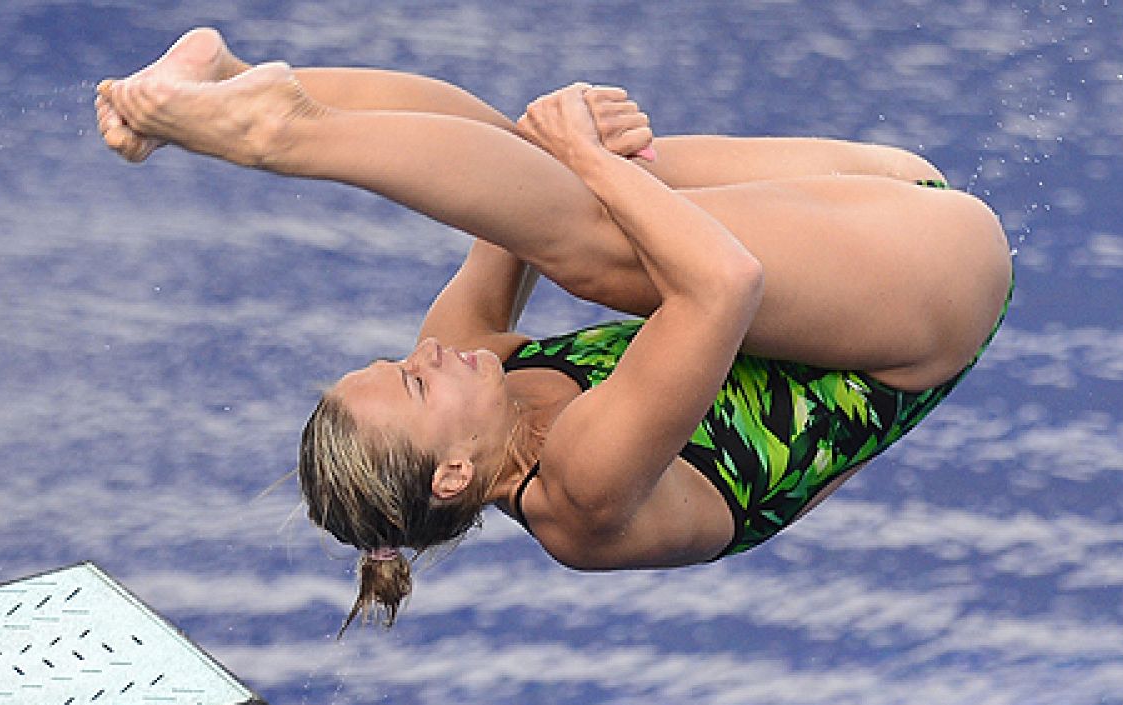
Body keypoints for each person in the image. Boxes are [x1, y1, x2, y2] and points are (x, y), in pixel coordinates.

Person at [94, 28, 1013, 634]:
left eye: (394, 360)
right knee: (596, 241)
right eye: (413, 382)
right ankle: (273, 133)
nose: (424, 352)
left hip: (885, 212)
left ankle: (241, 83)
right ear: (454, 472)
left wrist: (567, 150)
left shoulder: (477, 372)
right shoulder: (580, 496)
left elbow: (501, 167)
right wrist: (588, 154)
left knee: (547, 198)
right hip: (930, 305)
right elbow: (723, 285)